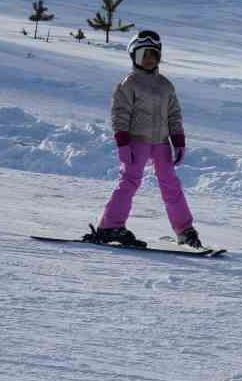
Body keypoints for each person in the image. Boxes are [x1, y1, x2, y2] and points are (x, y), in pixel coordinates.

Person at [84, 30, 201, 248]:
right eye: (144, 55)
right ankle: (110, 226)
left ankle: (185, 230)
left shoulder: (166, 85)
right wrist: (122, 142)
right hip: (137, 141)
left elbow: (174, 114)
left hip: (161, 143)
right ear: (134, 56)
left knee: (171, 184)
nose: (149, 60)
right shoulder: (129, 83)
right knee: (130, 181)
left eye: (153, 55)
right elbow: (120, 113)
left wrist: (179, 140)